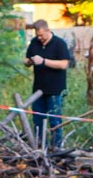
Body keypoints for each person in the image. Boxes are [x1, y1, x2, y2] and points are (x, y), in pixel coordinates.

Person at [23, 20, 71, 148]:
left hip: (55, 89)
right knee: (37, 119)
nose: (39, 38)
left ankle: (56, 147)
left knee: (55, 120)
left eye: (41, 35)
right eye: (37, 35)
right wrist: (30, 61)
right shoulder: (34, 42)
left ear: (48, 30)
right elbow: (26, 60)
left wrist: (43, 61)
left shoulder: (59, 43)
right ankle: (39, 145)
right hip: (38, 90)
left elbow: (64, 64)